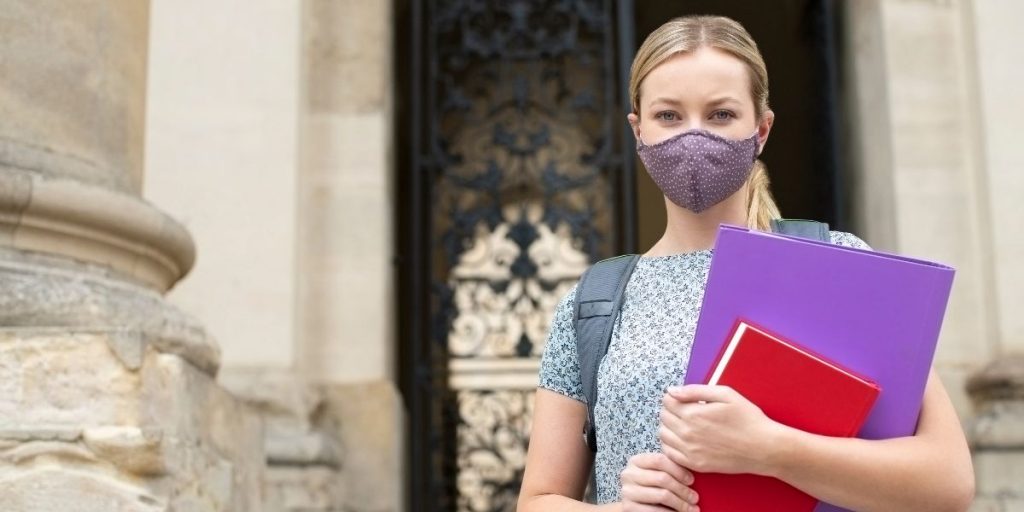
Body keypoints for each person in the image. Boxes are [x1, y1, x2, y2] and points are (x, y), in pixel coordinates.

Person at [517, 15, 975, 512]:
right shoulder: (594, 304)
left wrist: (767, 449)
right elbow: (538, 500)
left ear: (761, 129)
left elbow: (946, 480)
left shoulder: (838, 264)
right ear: (638, 130)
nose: (693, 135)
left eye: (720, 115)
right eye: (669, 116)